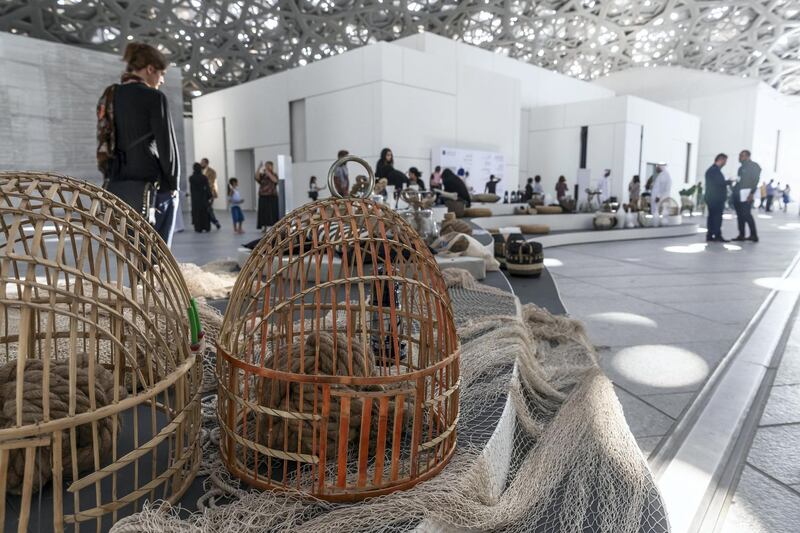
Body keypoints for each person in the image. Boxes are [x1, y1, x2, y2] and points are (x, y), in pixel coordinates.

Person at [99, 42, 180, 247]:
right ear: (150, 69)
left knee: (132, 251)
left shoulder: (110, 95)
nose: (161, 80)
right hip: (153, 185)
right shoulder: (154, 97)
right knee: (159, 255)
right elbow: (166, 146)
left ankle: (137, 281)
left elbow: (104, 140)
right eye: (161, 73)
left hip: (119, 183)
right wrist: (173, 186)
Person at [733, 150, 759, 242]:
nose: (739, 158)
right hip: (738, 195)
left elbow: (755, 181)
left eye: (742, 156)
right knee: (740, 215)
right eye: (739, 156)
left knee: (747, 215)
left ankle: (754, 235)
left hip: (747, 195)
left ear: (748, 156)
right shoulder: (740, 168)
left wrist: (752, 193)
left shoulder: (754, 166)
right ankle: (741, 235)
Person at [704, 154, 729, 242]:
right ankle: (717, 235)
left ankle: (710, 235)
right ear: (721, 160)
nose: (725, 163)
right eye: (725, 161)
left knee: (712, 217)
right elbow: (719, 183)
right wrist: (729, 182)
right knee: (717, 217)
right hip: (715, 198)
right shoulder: (714, 170)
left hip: (712, 198)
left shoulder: (712, 170)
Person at [256, 161, 279, 231]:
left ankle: (272, 226)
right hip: (263, 196)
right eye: (266, 166)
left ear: (272, 166)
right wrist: (259, 168)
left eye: (269, 166)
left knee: (271, 212)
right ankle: (264, 226)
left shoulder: (274, 174)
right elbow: (257, 177)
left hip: (272, 196)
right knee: (263, 212)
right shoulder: (263, 175)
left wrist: (268, 172)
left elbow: (275, 181)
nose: (267, 167)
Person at [189, 162, 212, 232]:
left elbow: (191, 189)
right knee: (204, 213)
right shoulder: (204, 177)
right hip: (203, 197)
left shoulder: (191, 178)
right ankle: (206, 227)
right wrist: (209, 196)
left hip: (195, 198)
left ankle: (198, 228)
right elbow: (207, 188)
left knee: (197, 213)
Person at [200, 158, 221, 229]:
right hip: (202, 194)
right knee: (206, 209)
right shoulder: (199, 171)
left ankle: (215, 222)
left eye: (202, 162)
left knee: (209, 208)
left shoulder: (212, 172)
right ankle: (210, 222)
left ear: (206, 163)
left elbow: (212, 183)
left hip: (210, 193)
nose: (201, 163)